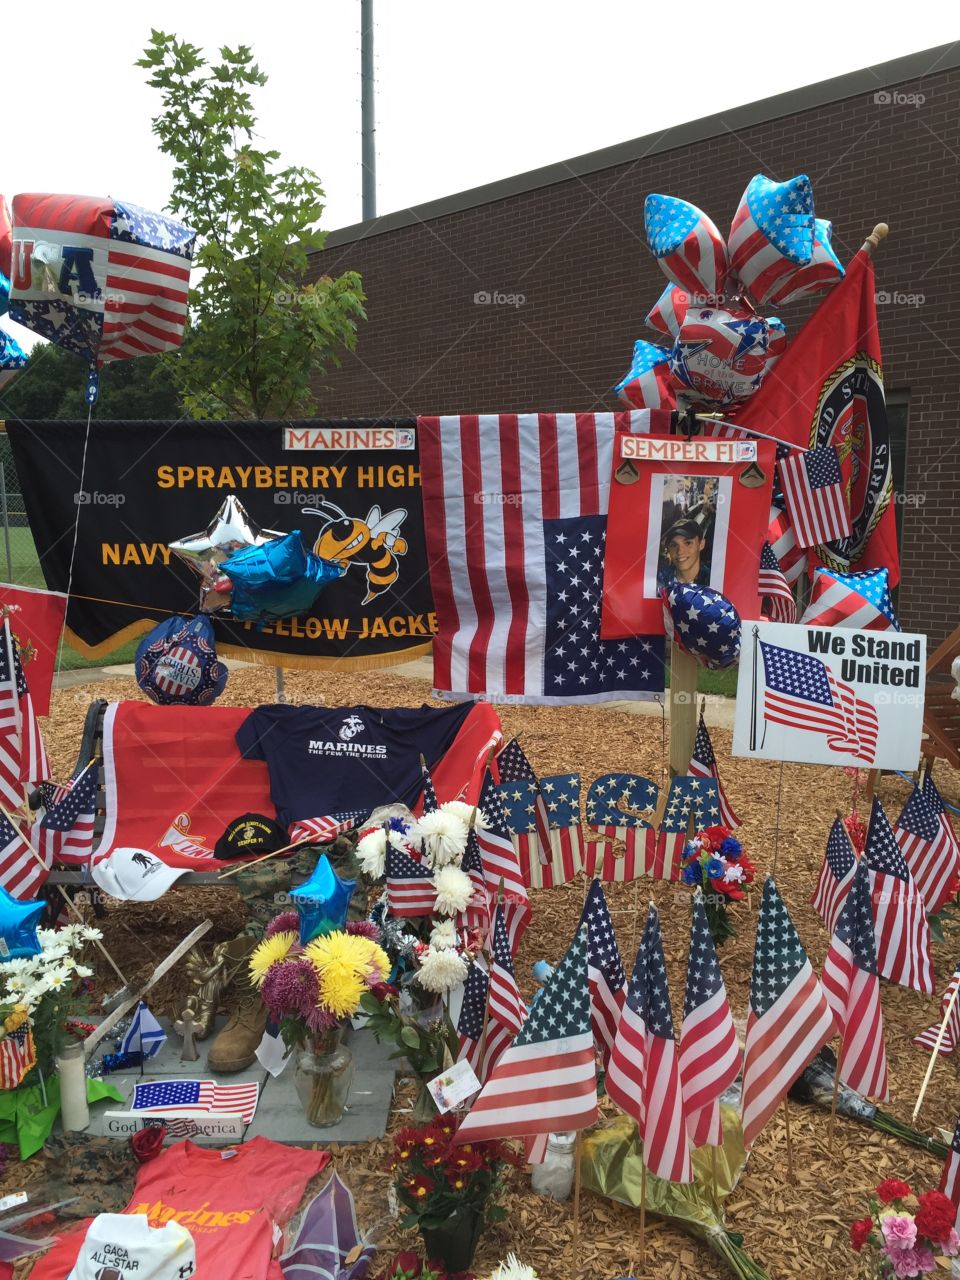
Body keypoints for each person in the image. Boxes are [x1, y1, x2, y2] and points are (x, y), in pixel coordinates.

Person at [657, 517, 711, 589]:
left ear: (701, 544)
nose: (680, 551)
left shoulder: (713, 581)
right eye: (673, 545)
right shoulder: (658, 581)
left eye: (688, 543)